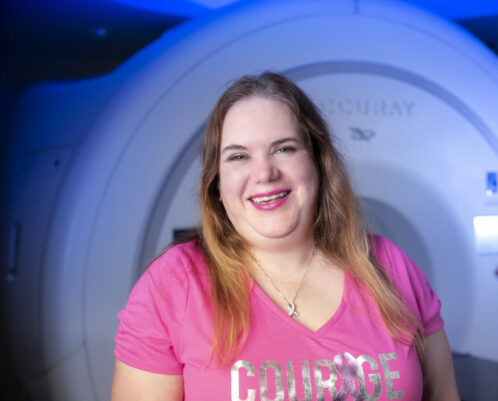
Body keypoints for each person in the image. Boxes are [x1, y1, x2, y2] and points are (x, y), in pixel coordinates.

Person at [111, 72, 460, 401]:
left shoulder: (390, 268)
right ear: (217, 182)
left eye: (284, 149)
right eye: (238, 156)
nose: (264, 172)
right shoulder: (173, 284)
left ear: (319, 162)